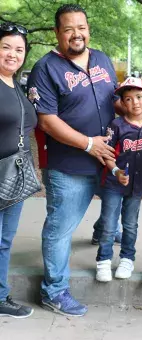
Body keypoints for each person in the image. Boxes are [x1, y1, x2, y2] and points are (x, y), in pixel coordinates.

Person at [27, 4, 120, 317]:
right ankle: (53, 291)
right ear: (57, 33)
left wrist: (133, 114)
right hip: (68, 165)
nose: (76, 34)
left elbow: (113, 99)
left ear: (88, 29)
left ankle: (103, 229)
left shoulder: (102, 59)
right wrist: (89, 144)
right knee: (59, 228)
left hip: (106, 158)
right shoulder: (46, 68)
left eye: (81, 27)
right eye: (68, 29)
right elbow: (47, 121)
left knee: (115, 203)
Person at [95, 77, 142, 282]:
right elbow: (106, 154)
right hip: (113, 184)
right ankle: (104, 261)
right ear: (122, 103)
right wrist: (116, 171)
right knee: (109, 224)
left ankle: (127, 258)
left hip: (135, 185)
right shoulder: (116, 125)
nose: (134, 102)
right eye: (128, 99)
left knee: (131, 224)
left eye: (139, 97)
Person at [0, 23, 37, 318]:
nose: (13, 54)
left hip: (16, 176)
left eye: (19, 49)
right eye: (6, 47)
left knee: (4, 240)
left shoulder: (17, 85)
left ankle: (0, 297)